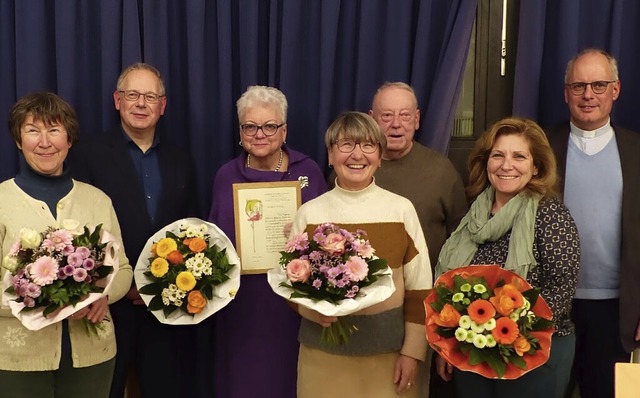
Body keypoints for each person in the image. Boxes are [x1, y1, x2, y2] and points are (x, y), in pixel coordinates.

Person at [67, 63, 205, 398]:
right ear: (117, 100)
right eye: (132, 95)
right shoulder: (88, 155)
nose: (141, 103)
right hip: (106, 307)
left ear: (163, 105)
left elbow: (193, 230)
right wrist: (117, 285)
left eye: (150, 96)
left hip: (166, 307)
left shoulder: (181, 159)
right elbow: (77, 230)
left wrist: (163, 287)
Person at [289, 111, 432, 398]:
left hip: (389, 357)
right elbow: (291, 285)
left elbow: (420, 288)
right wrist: (314, 312)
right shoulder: (309, 213)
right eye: (346, 145)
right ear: (330, 155)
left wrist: (413, 352)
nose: (358, 154)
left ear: (380, 157)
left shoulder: (401, 210)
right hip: (323, 357)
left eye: (368, 146)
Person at [434, 117, 580, 397]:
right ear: (486, 162)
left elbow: (561, 289)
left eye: (519, 156)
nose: (506, 165)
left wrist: (505, 333)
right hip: (471, 354)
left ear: (536, 166)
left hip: (533, 353)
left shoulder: (551, 215)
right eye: (498, 155)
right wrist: (449, 344)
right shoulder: (472, 215)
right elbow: (450, 290)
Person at [0, 92, 133, 397]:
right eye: (33, 130)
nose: (44, 142)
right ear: (19, 141)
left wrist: (102, 296)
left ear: (69, 139)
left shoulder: (97, 201)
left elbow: (122, 269)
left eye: (54, 130)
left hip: (93, 356)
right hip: (18, 360)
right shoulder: (2, 202)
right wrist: (40, 300)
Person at [208, 85, 327, 398]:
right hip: (242, 306)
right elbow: (213, 242)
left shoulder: (309, 172)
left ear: (284, 130)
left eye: (270, 126)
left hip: (292, 304)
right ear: (240, 131)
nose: (259, 134)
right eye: (250, 126)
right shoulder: (225, 176)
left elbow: (328, 239)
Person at [546, 48, 640, 398]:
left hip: (619, 311)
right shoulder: (539, 148)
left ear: (615, 90)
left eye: (599, 85)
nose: (588, 95)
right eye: (579, 86)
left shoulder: (637, 152)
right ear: (565, 92)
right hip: (550, 305)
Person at [368, 81, 468, 397]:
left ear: (418, 119)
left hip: (426, 313)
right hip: (367, 314)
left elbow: (462, 244)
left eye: (404, 115)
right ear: (372, 119)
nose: (396, 124)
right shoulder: (352, 169)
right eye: (386, 116)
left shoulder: (441, 171)